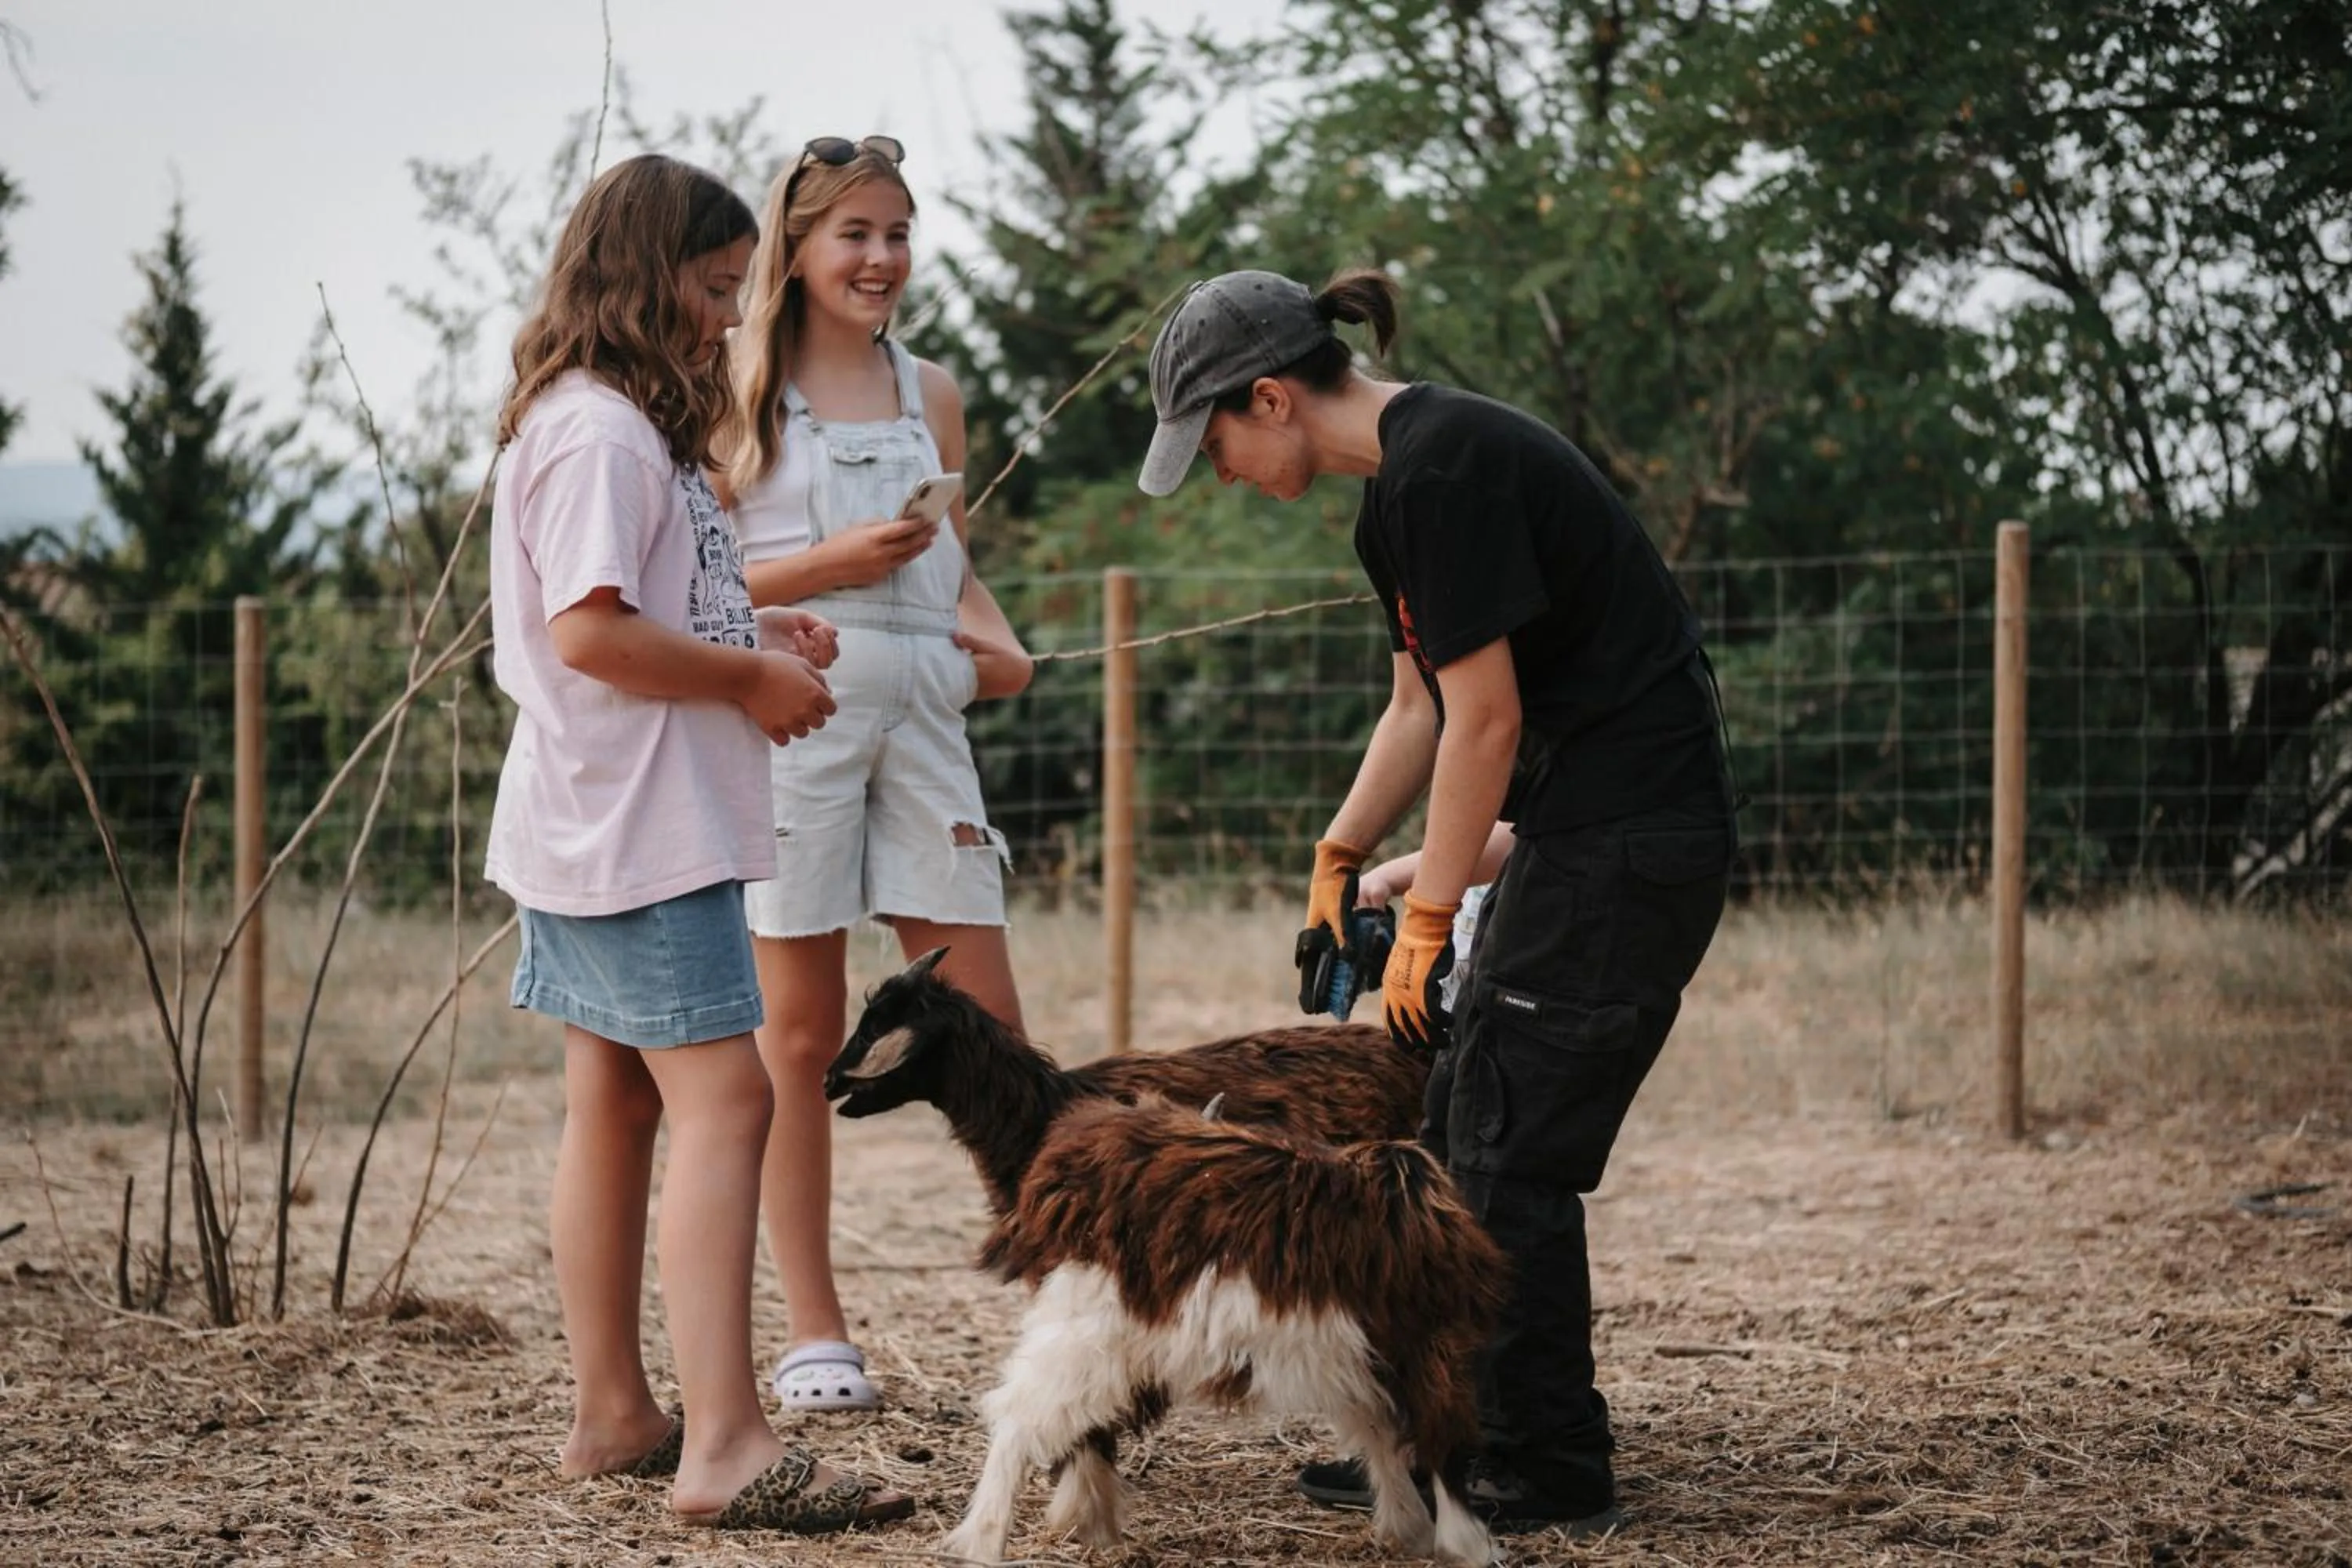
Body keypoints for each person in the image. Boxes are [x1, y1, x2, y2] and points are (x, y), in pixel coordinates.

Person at [1135, 267, 1737, 1534]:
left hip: (1629, 845)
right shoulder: (1395, 501)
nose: (1224, 472)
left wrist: (1426, 923)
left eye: (1219, 444)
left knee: (1507, 1143)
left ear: (1271, 397)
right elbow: (1419, 706)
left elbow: (1490, 719)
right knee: (1463, 1118)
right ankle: (1443, 1439)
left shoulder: (1446, 469)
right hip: (1583, 835)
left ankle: (1546, 1466)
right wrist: (1342, 854)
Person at [484, 152, 912, 1534]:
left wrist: (751, 628)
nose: (732, 317)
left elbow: (641, 604)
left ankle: (616, 1411)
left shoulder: (596, 420)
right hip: (641, 823)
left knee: (613, 1103)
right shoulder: (605, 431)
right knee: (730, 1103)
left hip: (594, 816)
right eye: (718, 288)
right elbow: (593, 634)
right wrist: (748, 682)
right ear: (642, 275)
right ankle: (723, 1441)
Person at [720, 135, 1033, 1414]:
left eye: (898, 234)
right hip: (792, 710)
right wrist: (828, 566)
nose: (883, 259)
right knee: (799, 1038)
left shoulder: (933, 390)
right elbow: (693, 589)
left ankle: (1064, 1312)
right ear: (794, 246)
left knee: (994, 1030)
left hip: (925, 716)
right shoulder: (734, 381)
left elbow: (950, 565)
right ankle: (815, 1332)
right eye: (855, 234)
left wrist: (996, 642)